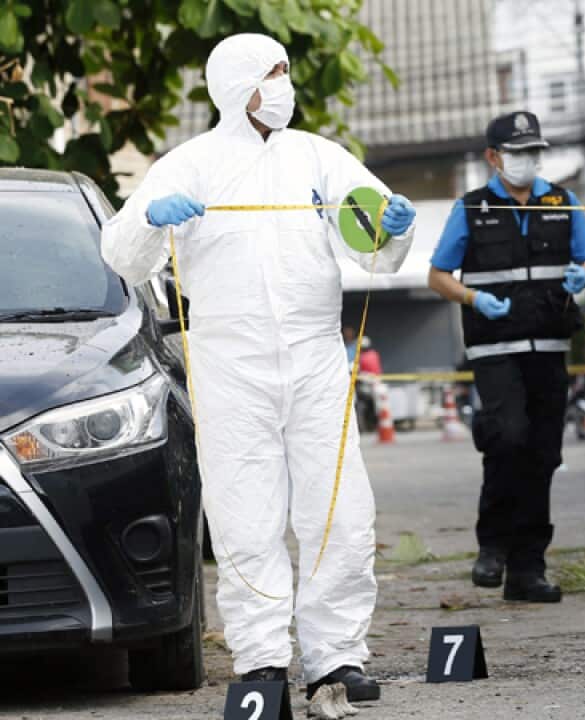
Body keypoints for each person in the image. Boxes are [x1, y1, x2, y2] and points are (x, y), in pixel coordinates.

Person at [100, 34, 417, 701]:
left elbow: (370, 238)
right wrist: (151, 220)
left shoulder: (316, 155)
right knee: (246, 512)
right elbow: (124, 255)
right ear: (241, 84)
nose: (285, 84)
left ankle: (336, 657)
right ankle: (262, 662)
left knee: (340, 509)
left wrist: (395, 225)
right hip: (227, 358)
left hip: (313, 354)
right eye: (275, 72)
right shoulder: (189, 164)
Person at [427, 111, 585, 603]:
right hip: (494, 348)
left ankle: (528, 569)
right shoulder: (473, 208)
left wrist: (582, 276)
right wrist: (473, 299)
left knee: (543, 455)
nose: (527, 161)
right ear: (494, 157)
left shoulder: (562, 202)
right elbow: (437, 276)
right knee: (508, 438)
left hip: (548, 345)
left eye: (534, 152)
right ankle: (493, 547)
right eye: (517, 152)